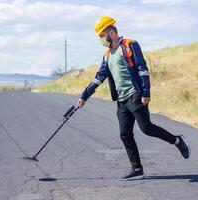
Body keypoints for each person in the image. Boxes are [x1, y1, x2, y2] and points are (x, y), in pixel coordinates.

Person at [78, 16, 191, 181]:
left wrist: (146, 92)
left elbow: (142, 68)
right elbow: (99, 77)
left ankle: (177, 141)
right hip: (122, 100)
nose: (101, 39)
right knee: (125, 134)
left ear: (111, 32)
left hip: (135, 94)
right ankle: (137, 169)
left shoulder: (130, 45)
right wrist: (84, 96)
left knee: (146, 128)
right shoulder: (107, 55)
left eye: (102, 35)